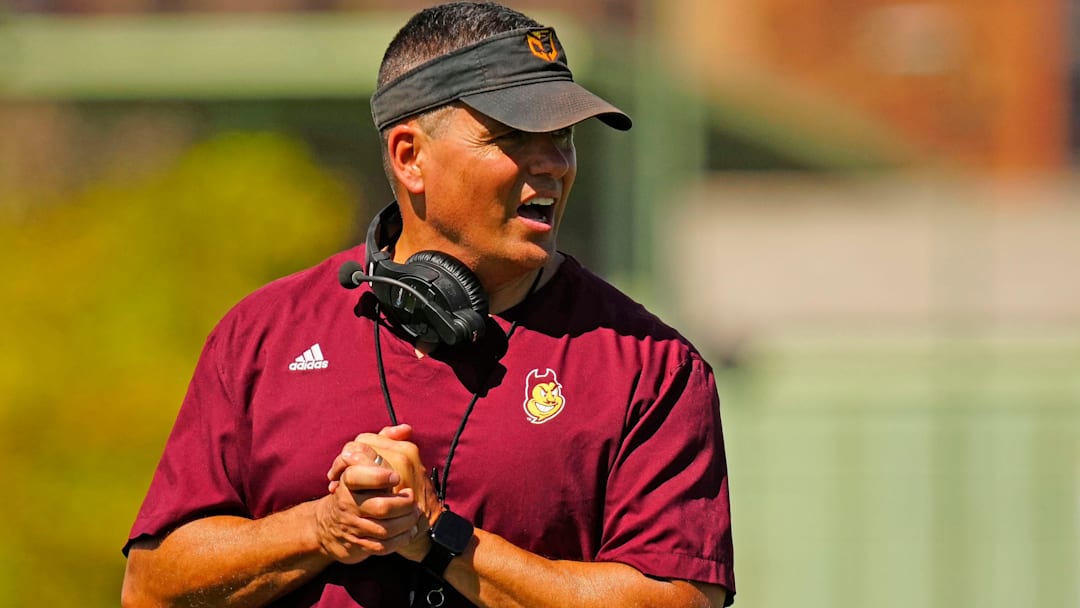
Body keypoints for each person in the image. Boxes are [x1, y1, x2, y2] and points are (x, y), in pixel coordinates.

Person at [120, 2, 735, 607]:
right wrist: (322, 527)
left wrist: (441, 539)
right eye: (515, 137)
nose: (553, 164)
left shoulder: (653, 368)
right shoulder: (263, 334)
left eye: (563, 138)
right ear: (410, 157)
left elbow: (676, 601)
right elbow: (151, 588)